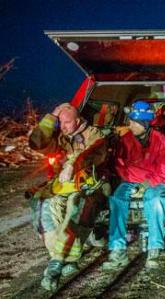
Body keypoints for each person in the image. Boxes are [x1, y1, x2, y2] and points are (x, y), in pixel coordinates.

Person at [28, 103, 107, 290]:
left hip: (92, 185)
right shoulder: (60, 138)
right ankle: (63, 257)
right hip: (62, 187)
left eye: (67, 122)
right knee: (44, 207)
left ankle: (56, 263)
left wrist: (74, 164)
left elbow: (94, 153)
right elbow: (36, 142)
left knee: (76, 208)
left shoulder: (95, 134)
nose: (62, 127)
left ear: (78, 121)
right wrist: (52, 117)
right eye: (60, 123)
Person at [102, 101, 165, 271]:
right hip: (130, 181)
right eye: (130, 121)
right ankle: (117, 249)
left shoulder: (159, 140)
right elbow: (120, 166)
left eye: (134, 122)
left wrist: (146, 183)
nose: (130, 125)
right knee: (117, 199)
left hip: (155, 182)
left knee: (155, 200)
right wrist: (135, 182)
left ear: (144, 123)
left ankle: (154, 248)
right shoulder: (125, 140)